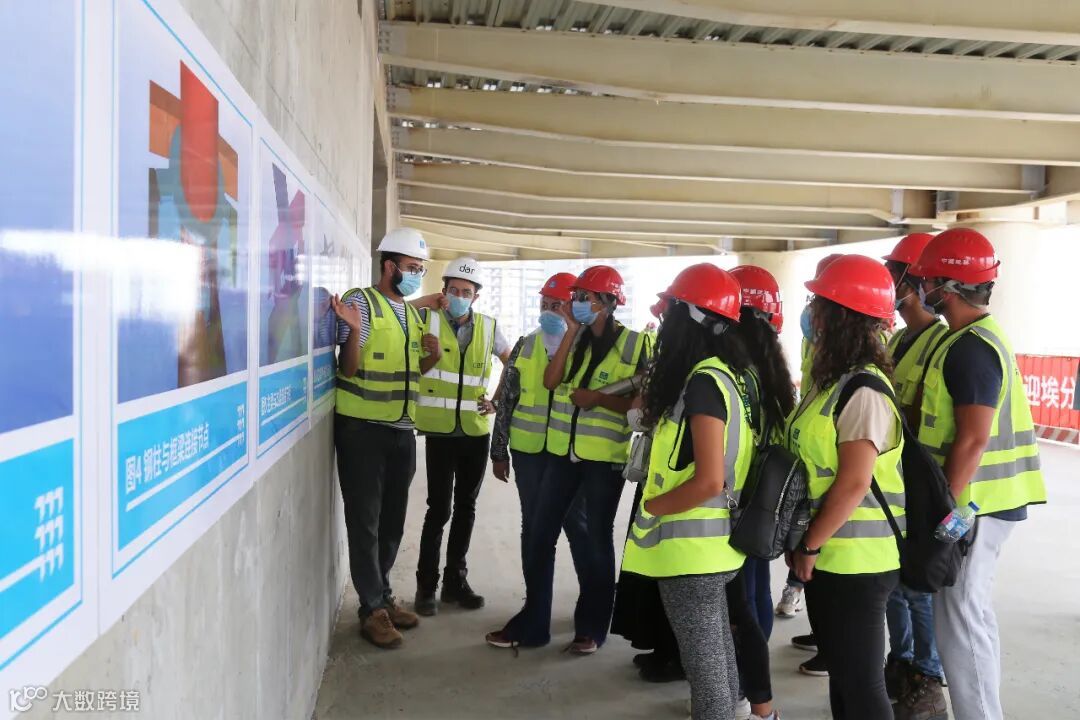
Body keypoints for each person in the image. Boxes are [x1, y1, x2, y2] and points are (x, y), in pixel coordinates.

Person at [910, 228, 1046, 720]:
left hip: (975, 506)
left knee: (962, 621)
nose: (922, 289)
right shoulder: (969, 339)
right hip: (980, 503)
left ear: (949, 287)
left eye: (928, 280)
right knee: (971, 613)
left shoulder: (971, 349)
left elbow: (972, 440)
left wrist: (944, 519)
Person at [621, 264, 764, 720]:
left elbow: (709, 480)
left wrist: (652, 506)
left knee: (706, 674)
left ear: (690, 319)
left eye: (670, 313)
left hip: (691, 550)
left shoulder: (703, 383)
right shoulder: (725, 376)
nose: (663, 323)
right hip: (713, 547)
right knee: (717, 656)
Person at [487, 265, 649, 654]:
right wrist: (572, 333)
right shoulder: (572, 338)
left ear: (608, 302)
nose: (576, 303)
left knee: (595, 541)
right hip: (563, 454)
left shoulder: (636, 344)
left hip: (604, 458)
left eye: (584, 298)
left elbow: (645, 406)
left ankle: (592, 627)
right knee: (538, 534)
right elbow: (550, 381)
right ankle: (534, 623)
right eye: (575, 297)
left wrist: (599, 400)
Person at [786, 254, 906, 718]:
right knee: (843, 675)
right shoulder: (831, 382)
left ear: (842, 316)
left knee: (861, 685)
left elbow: (855, 481)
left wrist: (810, 545)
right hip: (830, 554)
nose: (811, 313)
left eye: (818, 304)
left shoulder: (864, 390)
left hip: (858, 560)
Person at [331, 227, 445, 649]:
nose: (417, 275)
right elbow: (349, 369)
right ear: (389, 266)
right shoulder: (361, 302)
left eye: (421, 269)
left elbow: (414, 371)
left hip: (401, 430)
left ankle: (381, 595)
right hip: (362, 430)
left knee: (392, 520)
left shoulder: (411, 316)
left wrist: (432, 355)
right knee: (365, 521)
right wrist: (351, 332)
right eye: (412, 268)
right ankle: (371, 610)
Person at [413, 257, 512, 615]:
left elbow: (512, 363)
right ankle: (426, 587)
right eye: (453, 290)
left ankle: (455, 584)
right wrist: (424, 303)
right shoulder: (426, 320)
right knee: (438, 509)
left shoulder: (488, 327)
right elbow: (397, 315)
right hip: (439, 431)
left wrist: (496, 401)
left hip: (474, 430)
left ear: (476, 296)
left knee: (466, 508)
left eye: (465, 292)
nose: (458, 296)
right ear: (443, 291)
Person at [881, 233, 950, 716]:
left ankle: (928, 676)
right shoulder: (897, 339)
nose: (888, 284)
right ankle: (902, 662)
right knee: (896, 585)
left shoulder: (939, 343)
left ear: (915, 281)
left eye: (894, 275)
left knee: (919, 589)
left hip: (925, 485)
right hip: (895, 480)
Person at [488, 272, 589, 599]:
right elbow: (507, 399)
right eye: (544, 304)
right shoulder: (526, 344)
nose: (548, 311)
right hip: (528, 452)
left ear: (571, 307)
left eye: (556, 304)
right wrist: (499, 451)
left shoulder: (586, 348)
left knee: (577, 525)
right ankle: (536, 601)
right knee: (533, 525)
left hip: (568, 454)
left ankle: (589, 601)